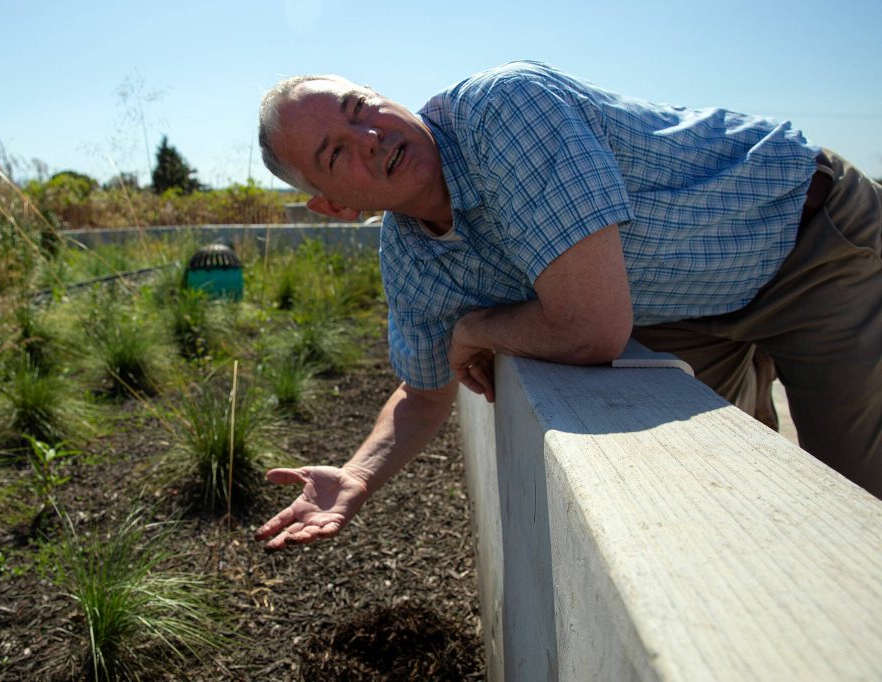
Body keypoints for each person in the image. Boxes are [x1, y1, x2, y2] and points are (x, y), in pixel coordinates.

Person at [253, 61, 882, 550]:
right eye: (335, 153)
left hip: (810, 242)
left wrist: (476, 326)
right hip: (690, 306)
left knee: (854, 494)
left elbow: (593, 330)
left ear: (380, 93)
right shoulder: (414, 259)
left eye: (360, 106)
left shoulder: (502, 111)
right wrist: (358, 474)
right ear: (335, 207)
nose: (369, 137)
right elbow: (423, 393)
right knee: (731, 495)